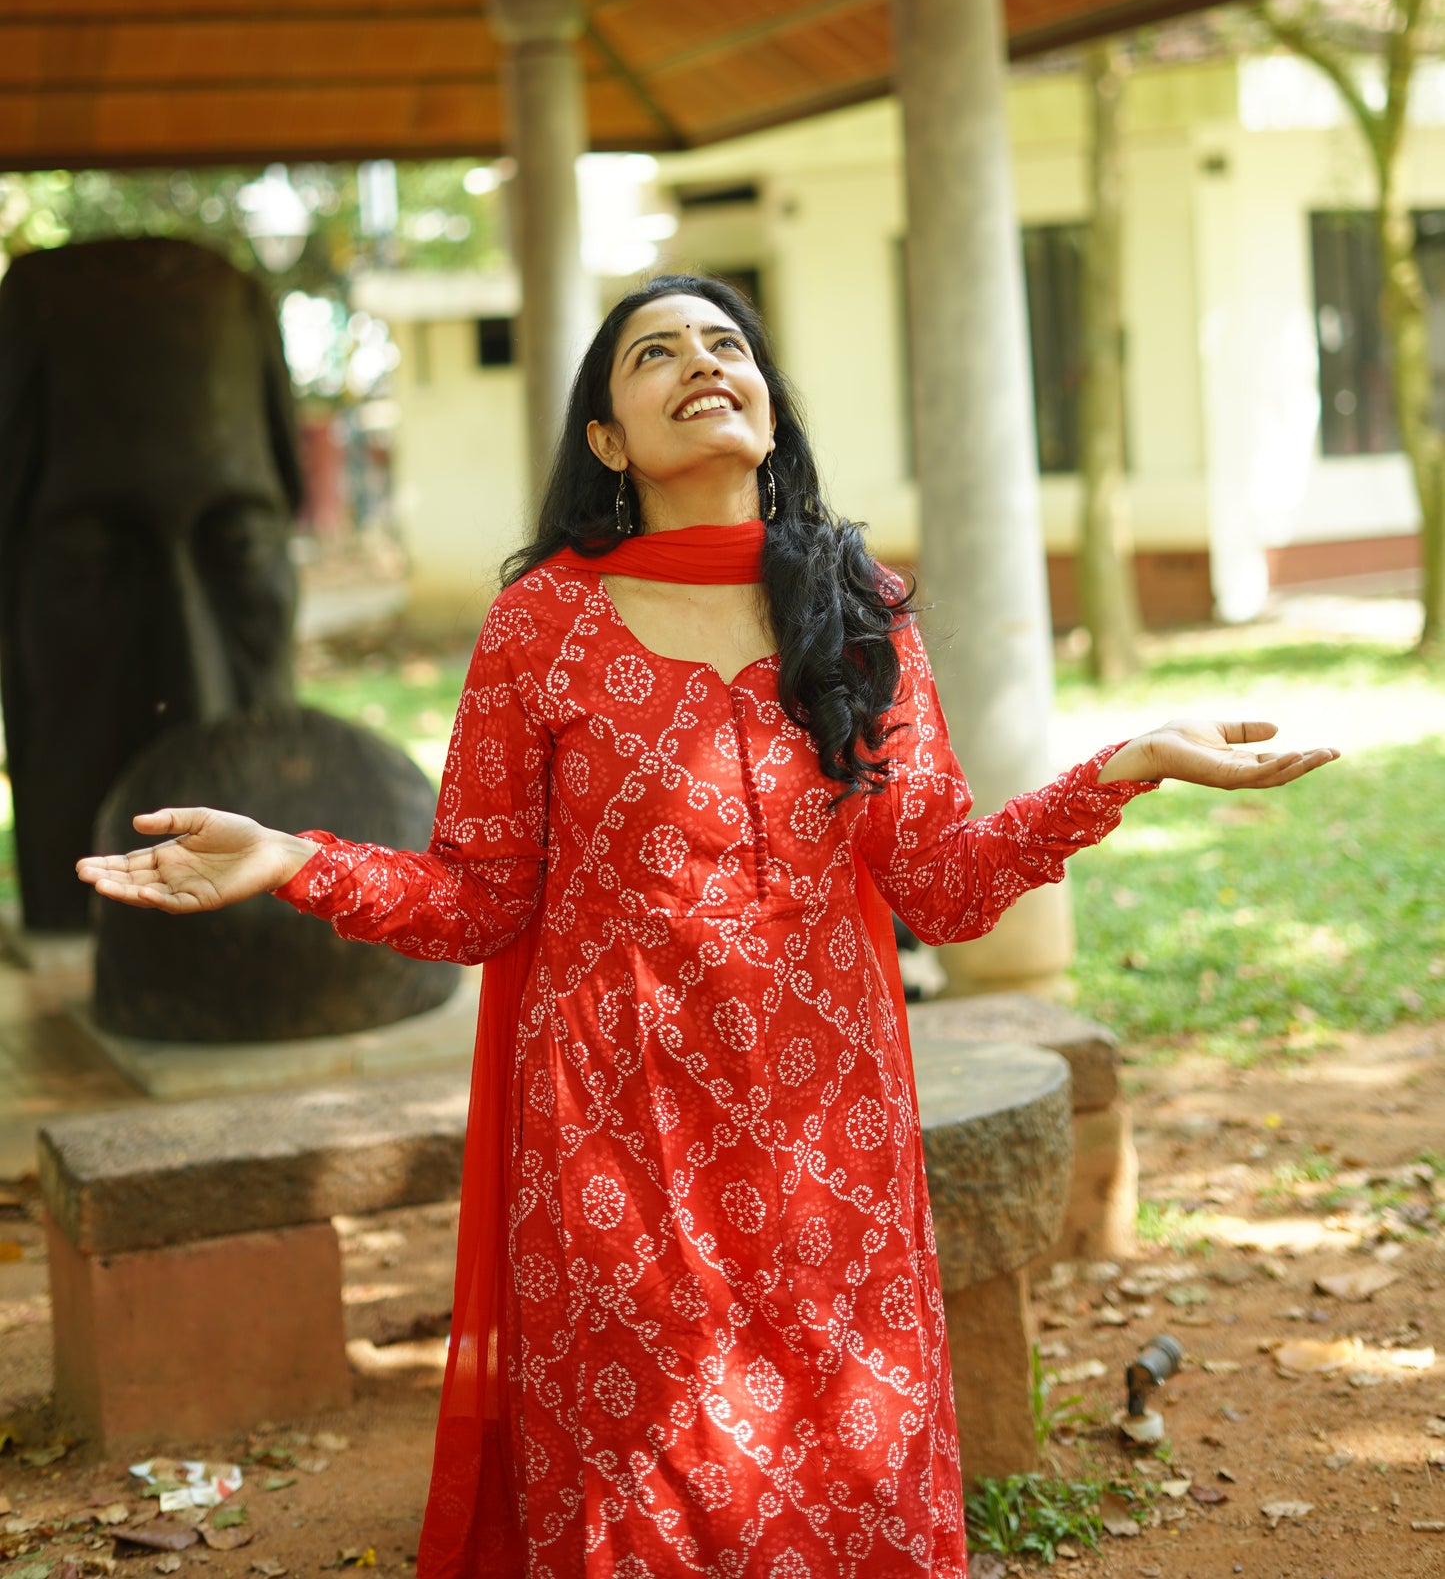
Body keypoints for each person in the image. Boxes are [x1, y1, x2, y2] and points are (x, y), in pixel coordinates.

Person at [80, 275, 1337, 1579]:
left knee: (852, 1472)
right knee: (643, 1504)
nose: (700, 361)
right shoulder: (540, 626)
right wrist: (295, 858)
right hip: (613, 1159)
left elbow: (942, 889)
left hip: (826, 1154)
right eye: (654, 351)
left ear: (769, 410)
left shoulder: (857, 612)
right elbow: (479, 901)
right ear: (609, 440)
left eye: (725, 344)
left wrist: (1122, 767)